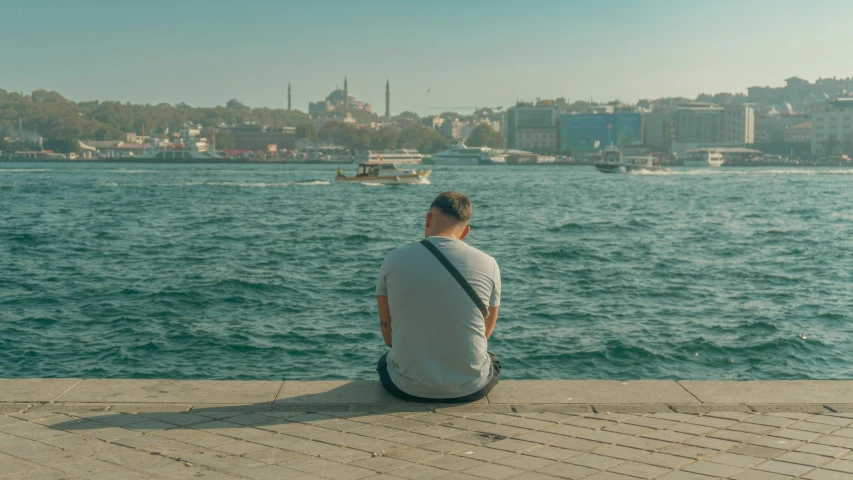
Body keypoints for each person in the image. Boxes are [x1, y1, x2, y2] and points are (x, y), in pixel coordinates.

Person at [375, 191, 501, 402]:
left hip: (405, 387)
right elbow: (485, 334)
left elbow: (389, 339)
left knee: (384, 361)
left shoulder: (393, 259)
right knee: (492, 360)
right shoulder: (489, 263)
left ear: (428, 219)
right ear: (465, 232)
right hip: (471, 388)